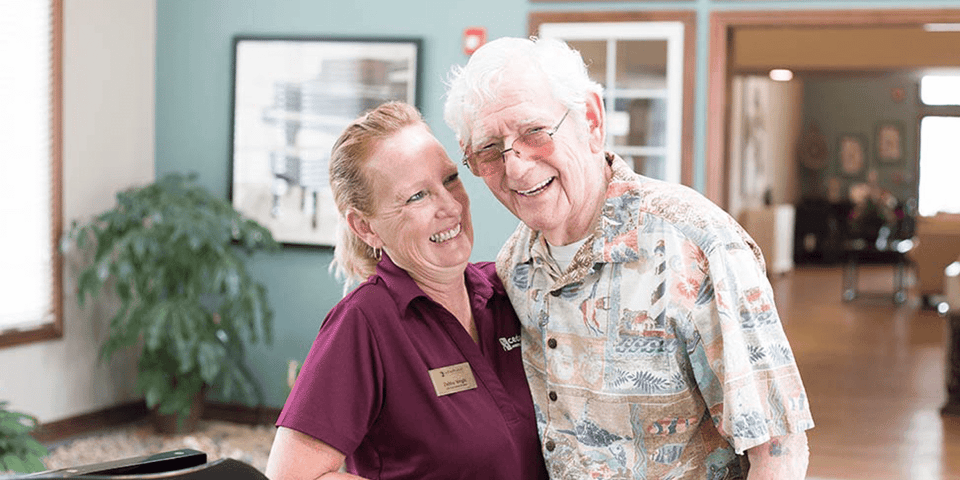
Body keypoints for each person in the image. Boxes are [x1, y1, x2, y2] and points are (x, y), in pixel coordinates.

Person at [443, 37, 814, 479]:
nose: (516, 168)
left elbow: (778, 450)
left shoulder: (698, 245)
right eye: (488, 150)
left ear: (592, 120)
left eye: (534, 132)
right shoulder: (514, 265)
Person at [265, 101, 549, 480]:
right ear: (365, 227)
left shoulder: (508, 291)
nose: (450, 206)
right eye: (417, 196)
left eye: (450, 179)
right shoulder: (365, 322)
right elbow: (291, 476)